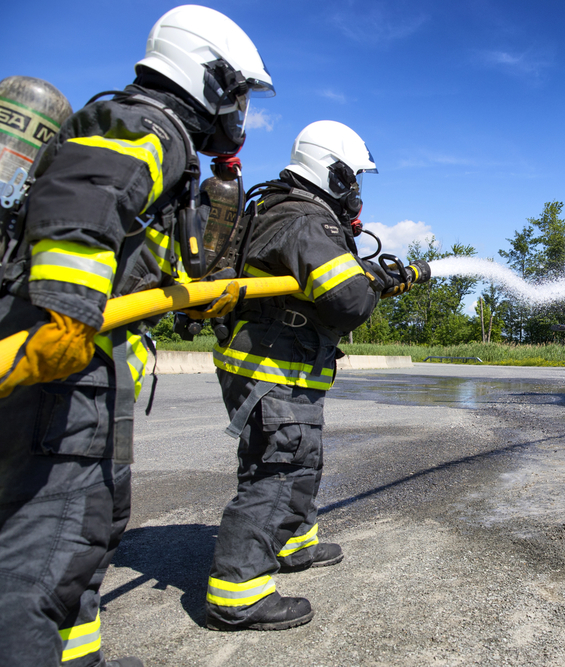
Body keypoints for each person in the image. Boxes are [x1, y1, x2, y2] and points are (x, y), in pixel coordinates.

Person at [0, 6, 274, 666]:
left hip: (80, 371)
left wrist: (207, 282)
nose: (240, 109)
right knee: (42, 554)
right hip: (62, 368)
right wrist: (67, 312)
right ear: (207, 77)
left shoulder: (160, 141)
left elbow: (159, 259)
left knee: (83, 535)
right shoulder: (150, 122)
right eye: (237, 92)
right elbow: (88, 196)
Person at [206, 120, 410, 631]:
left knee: (300, 456)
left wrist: (370, 274)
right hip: (270, 367)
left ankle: (293, 542)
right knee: (278, 467)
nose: (357, 192)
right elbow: (348, 301)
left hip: (281, 364)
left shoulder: (287, 211)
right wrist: (373, 279)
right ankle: (239, 592)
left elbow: (331, 284)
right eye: (354, 178)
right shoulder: (303, 218)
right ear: (334, 173)